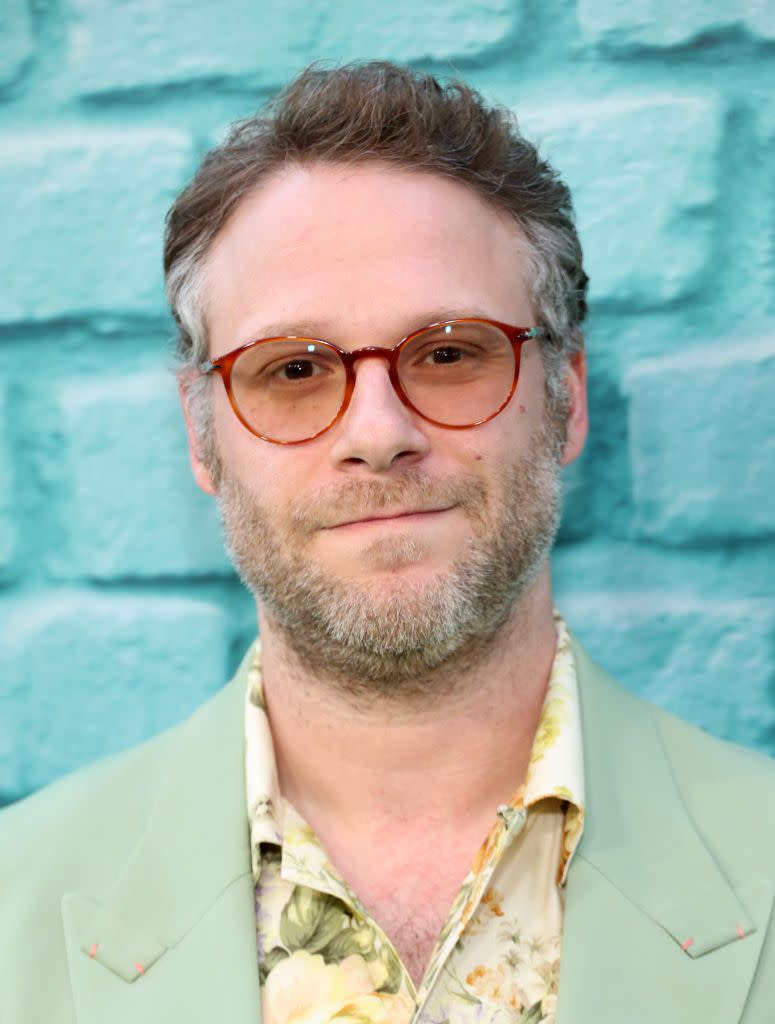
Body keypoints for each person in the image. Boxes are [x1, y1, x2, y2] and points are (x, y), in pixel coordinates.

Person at [1, 61, 773, 1024]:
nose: (376, 432)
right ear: (202, 437)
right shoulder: (14, 908)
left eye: (448, 352)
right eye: (292, 368)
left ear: (565, 399)